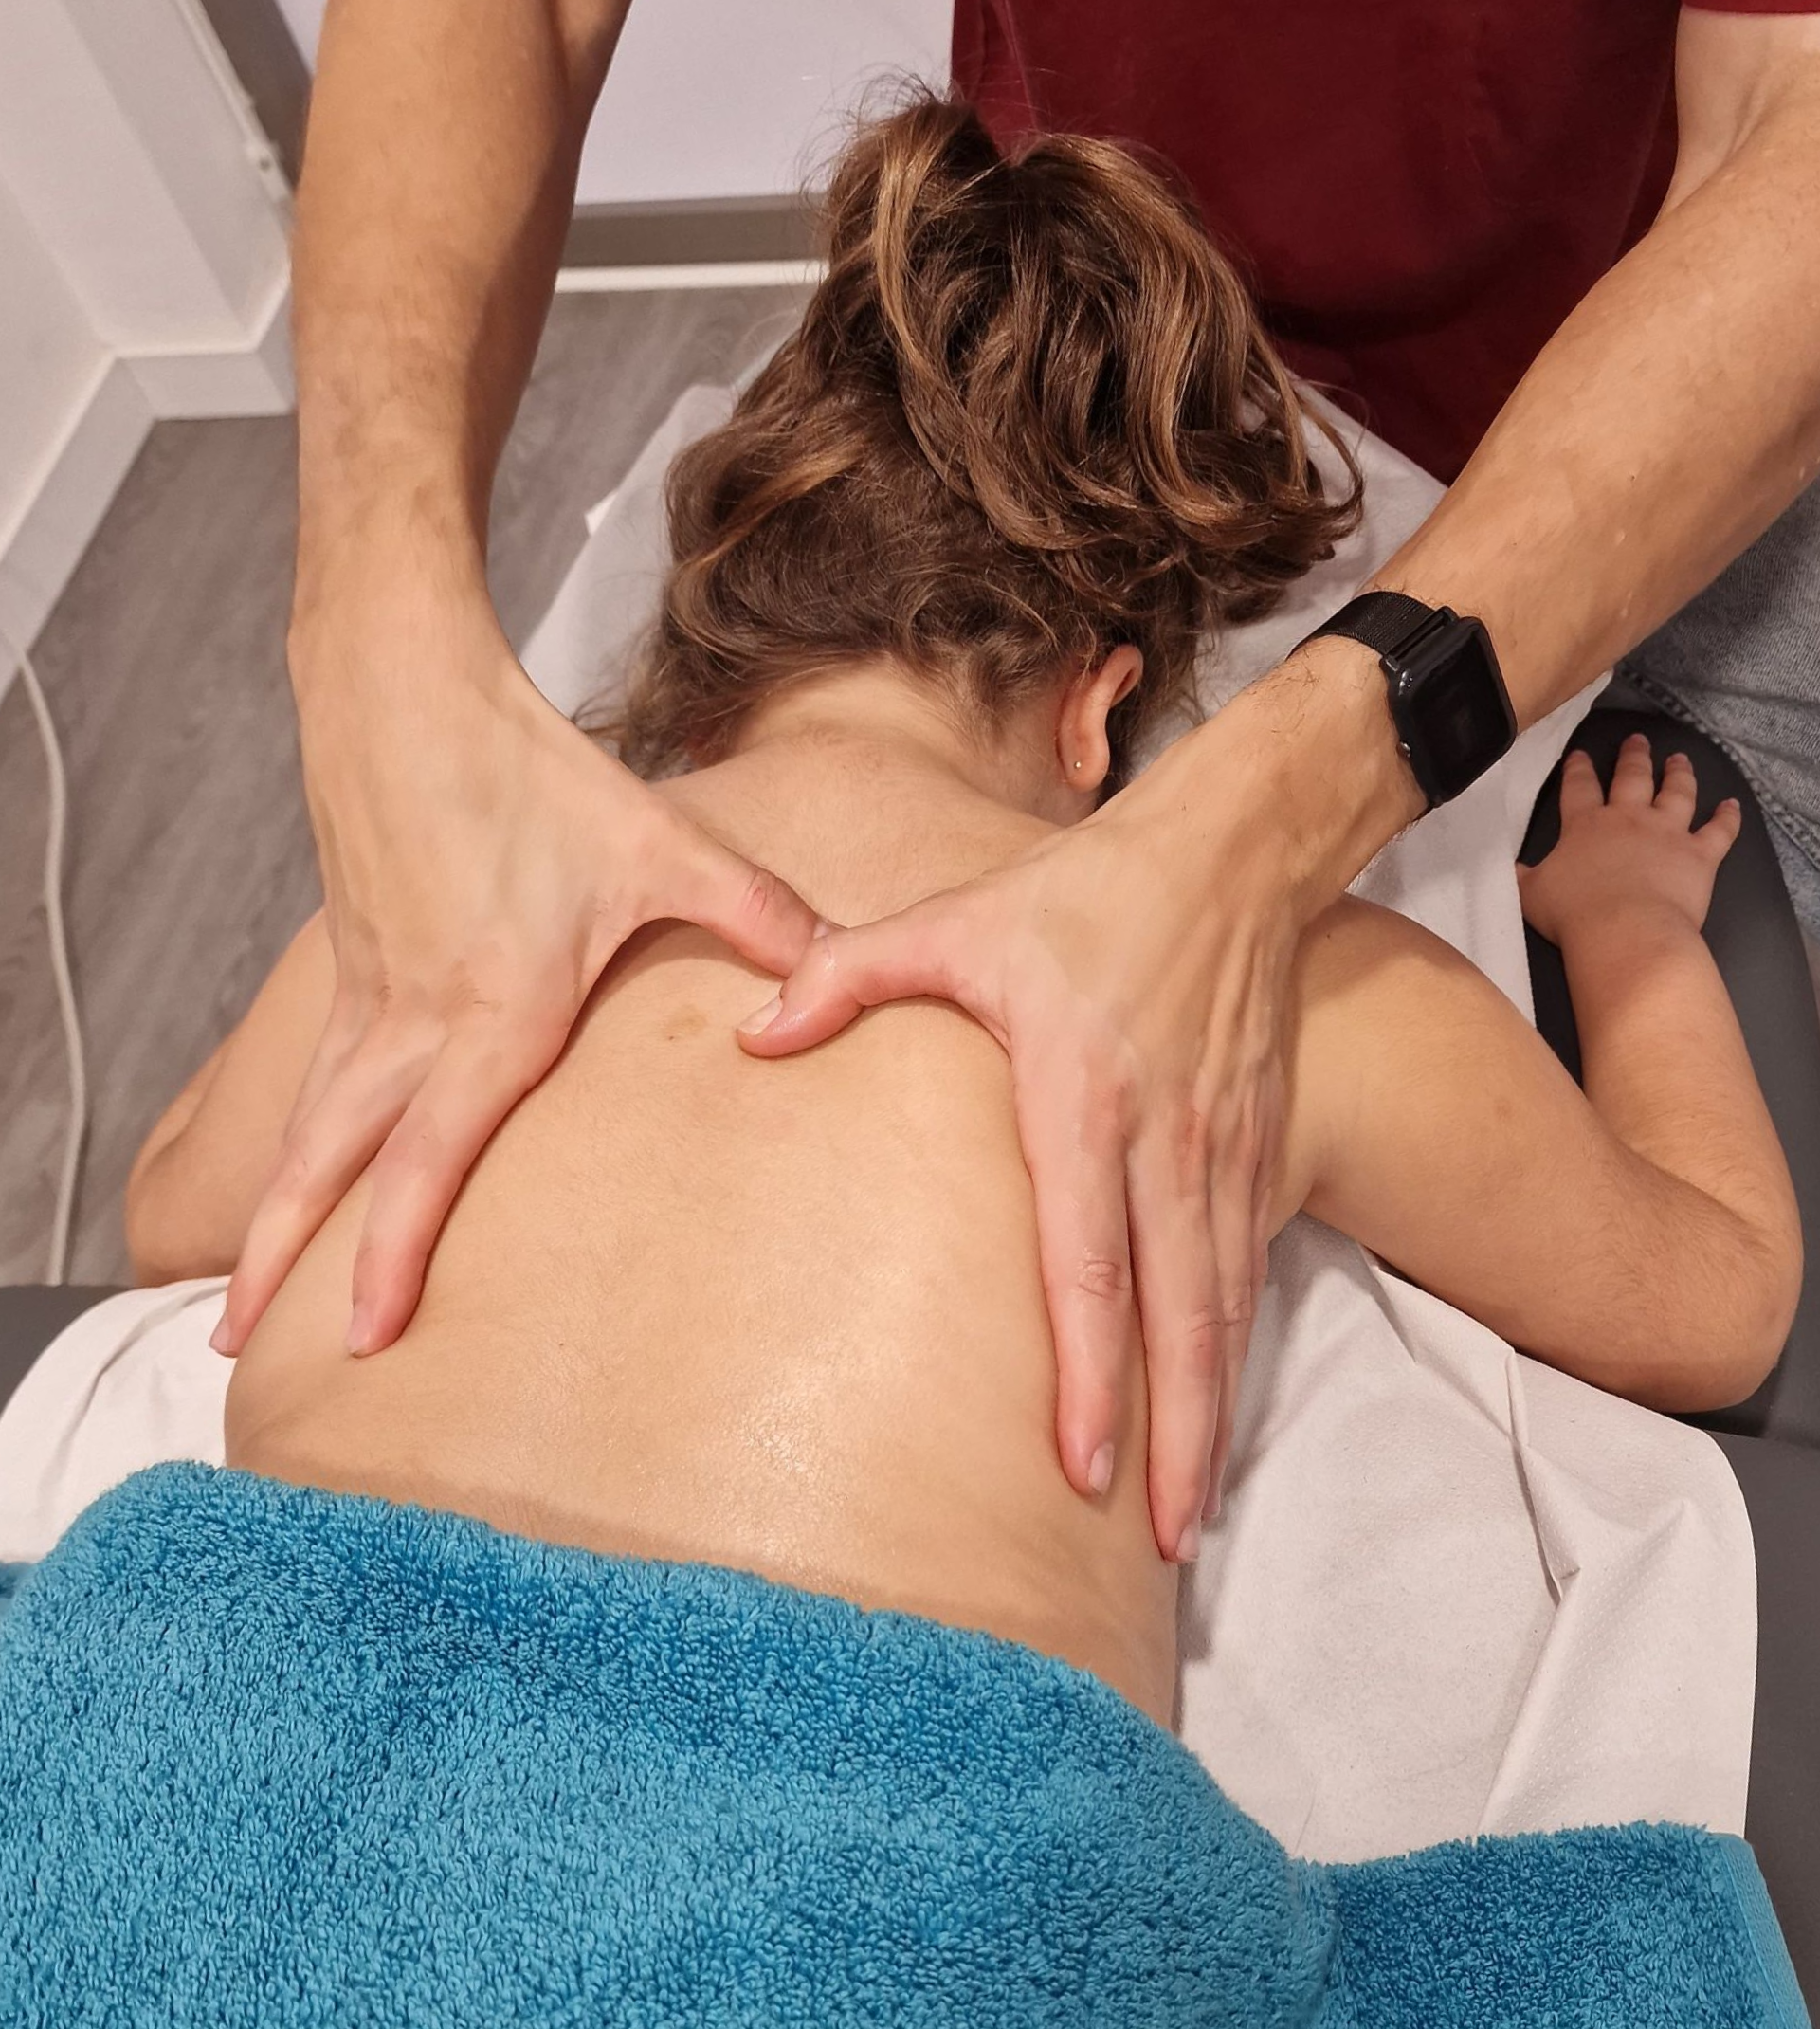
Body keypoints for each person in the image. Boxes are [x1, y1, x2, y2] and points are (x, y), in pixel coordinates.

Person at [218, 0, 1820, 1569]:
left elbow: (176, 1218)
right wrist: (1630, 933)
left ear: (698, 671)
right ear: (1103, 716)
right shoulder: (1313, 998)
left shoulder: (447, 934)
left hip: (1591, 342)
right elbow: (1720, 1305)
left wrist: (1288, 797)